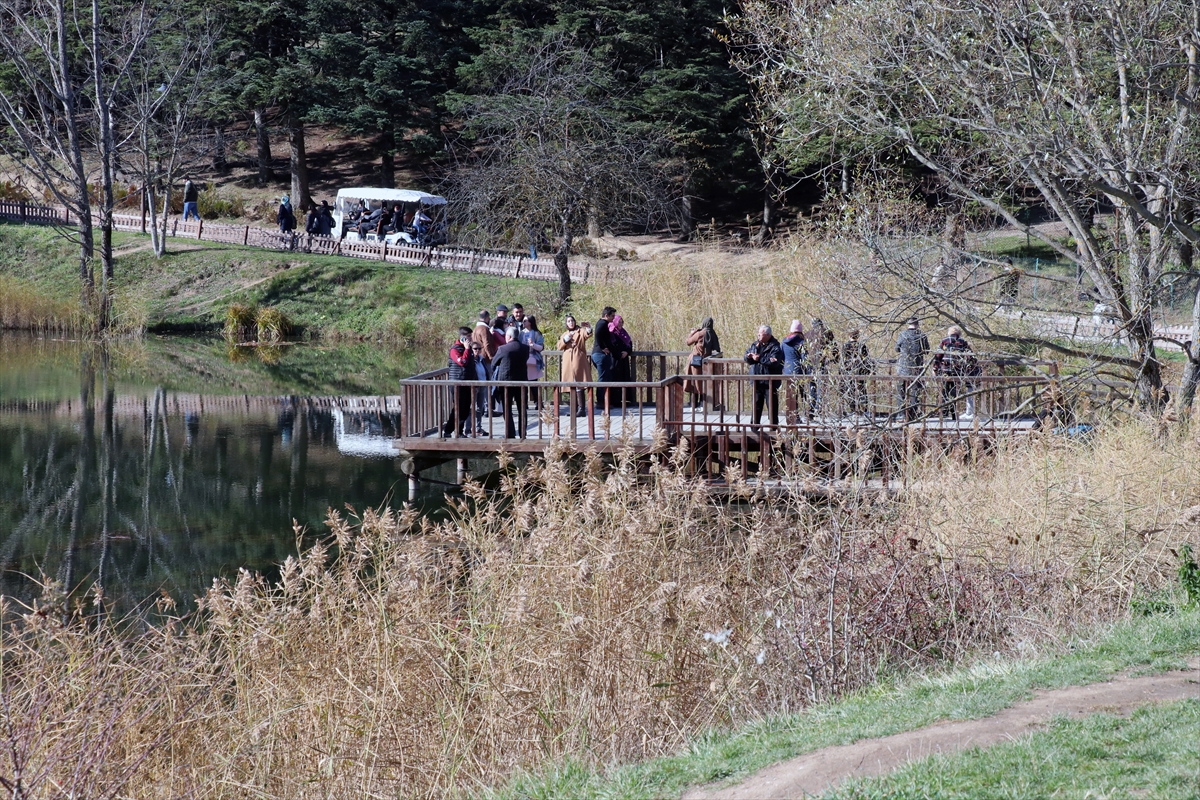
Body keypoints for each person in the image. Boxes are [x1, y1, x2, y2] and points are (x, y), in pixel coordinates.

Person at [491, 327, 530, 438]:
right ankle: (523, 433)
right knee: (522, 409)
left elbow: (494, 362)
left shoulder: (503, 349)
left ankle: (510, 434)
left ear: (509, 337)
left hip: (505, 383)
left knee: (507, 409)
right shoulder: (525, 348)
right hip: (522, 382)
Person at [933, 325, 979, 419]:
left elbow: (938, 356)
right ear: (959, 333)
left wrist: (935, 369)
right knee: (955, 393)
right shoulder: (963, 342)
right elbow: (971, 357)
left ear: (949, 333)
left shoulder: (944, 341)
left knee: (944, 392)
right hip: (957, 371)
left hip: (945, 370)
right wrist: (969, 367)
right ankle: (954, 414)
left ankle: (944, 413)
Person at [745, 324, 784, 426]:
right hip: (757, 381)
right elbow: (747, 358)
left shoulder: (775, 347)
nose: (758, 335)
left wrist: (760, 359)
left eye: (760, 334)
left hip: (770, 383)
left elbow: (774, 362)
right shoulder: (755, 345)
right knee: (756, 407)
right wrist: (749, 357)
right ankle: (754, 428)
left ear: (767, 335)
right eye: (758, 334)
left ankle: (773, 429)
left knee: (772, 407)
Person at [442, 327, 476, 438]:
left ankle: (459, 431)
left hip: (467, 383)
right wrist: (466, 349)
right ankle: (448, 431)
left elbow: (471, 366)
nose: (471, 338)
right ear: (462, 337)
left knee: (466, 409)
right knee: (458, 408)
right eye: (469, 336)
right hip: (457, 383)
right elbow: (463, 362)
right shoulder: (455, 349)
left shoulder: (468, 349)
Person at [895, 317, 930, 421]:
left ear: (908, 324)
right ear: (917, 324)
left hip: (903, 368)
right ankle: (913, 414)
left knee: (901, 391)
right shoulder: (922, 335)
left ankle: (901, 414)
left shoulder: (902, 334)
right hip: (917, 368)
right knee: (915, 391)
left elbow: (896, 348)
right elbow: (927, 350)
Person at [684, 317, 721, 409]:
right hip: (706, 362)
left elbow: (688, 342)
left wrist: (692, 333)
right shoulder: (712, 333)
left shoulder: (700, 333)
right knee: (703, 383)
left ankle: (694, 405)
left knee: (694, 383)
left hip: (695, 361)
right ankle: (702, 405)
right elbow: (716, 348)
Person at [558, 315, 593, 414]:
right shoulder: (565, 334)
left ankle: (581, 409)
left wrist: (588, 327)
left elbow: (588, 334)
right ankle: (574, 408)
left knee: (579, 383)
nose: (571, 323)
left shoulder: (580, 331)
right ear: (566, 323)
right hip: (568, 362)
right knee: (570, 384)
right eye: (568, 321)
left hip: (579, 360)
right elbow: (559, 346)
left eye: (572, 320)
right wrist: (566, 339)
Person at [781, 320, 809, 421]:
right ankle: (807, 415)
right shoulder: (801, 342)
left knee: (792, 395)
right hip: (799, 370)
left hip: (788, 371)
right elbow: (805, 358)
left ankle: (793, 416)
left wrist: (783, 368)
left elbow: (782, 356)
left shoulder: (784, 341)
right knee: (804, 393)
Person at [841, 329, 872, 415]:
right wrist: (868, 371)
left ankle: (853, 410)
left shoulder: (845, 346)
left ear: (849, 336)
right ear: (857, 337)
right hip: (860, 371)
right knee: (862, 390)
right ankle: (864, 410)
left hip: (849, 371)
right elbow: (867, 360)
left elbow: (843, 360)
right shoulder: (862, 346)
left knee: (851, 390)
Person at [591, 307, 617, 409]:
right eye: (612, 316)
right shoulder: (602, 323)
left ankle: (604, 401)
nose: (613, 318)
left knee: (605, 377)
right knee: (602, 379)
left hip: (599, 355)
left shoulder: (603, 324)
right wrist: (602, 347)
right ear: (606, 315)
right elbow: (597, 334)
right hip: (599, 355)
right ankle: (601, 402)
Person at [610, 314, 635, 405]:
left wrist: (627, 352)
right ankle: (615, 401)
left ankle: (625, 400)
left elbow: (630, 345)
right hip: (614, 360)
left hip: (624, 360)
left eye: (621, 322)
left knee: (624, 378)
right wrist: (619, 354)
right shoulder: (611, 332)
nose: (620, 324)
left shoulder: (624, 332)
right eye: (618, 322)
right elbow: (612, 346)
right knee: (615, 378)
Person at [521, 315, 545, 381]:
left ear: (530, 322)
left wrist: (533, 345)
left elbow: (541, 347)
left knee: (534, 385)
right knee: (523, 385)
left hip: (533, 359)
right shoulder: (521, 333)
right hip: (523, 360)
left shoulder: (537, 333)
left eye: (525, 321)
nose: (523, 322)